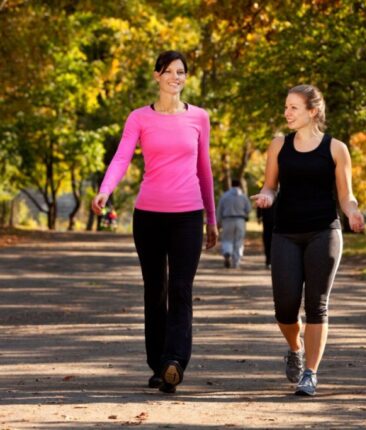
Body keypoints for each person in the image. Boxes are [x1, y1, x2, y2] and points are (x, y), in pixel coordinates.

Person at [91, 50, 218, 394]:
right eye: (170, 71)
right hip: (148, 216)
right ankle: (158, 363)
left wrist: (212, 217)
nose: (177, 77)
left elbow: (204, 170)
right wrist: (105, 190)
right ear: (157, 75)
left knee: (180, 289)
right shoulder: (139, 118)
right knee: (155, 289)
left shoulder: (199, 118)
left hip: (188, 216)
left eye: (182, 72)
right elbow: (121, 157)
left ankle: (175, 361)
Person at [251, 84, 365, 396]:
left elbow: (346, 195)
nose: (286, 113)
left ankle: (310, 374)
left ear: (312, 111)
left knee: (317, 305)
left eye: (293, 108)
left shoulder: (336, 149)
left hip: (324, 232)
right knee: (285, 308)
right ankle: (295, 346)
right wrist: (265, 196)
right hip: (286, 232)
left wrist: (353, 213)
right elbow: (271, 186)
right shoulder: (278, 145)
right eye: (286, 107)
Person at [217, 179, 251, 268]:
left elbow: (219, 210)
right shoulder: (243, 196)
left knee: (227, 239)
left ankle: (227, 252)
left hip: (227, 220)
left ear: (231, 185)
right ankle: (236, 262)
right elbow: (248, 209)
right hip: (240, 220)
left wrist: (218, 222)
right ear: (239, 185)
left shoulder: (224, 196)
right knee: (238, 241)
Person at [256, 204, 274, 269]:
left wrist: (258, 216)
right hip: (274, 220)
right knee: (270, 241)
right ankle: (270, 260)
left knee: (268, 240)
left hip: (268, 219)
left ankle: (269, 260)